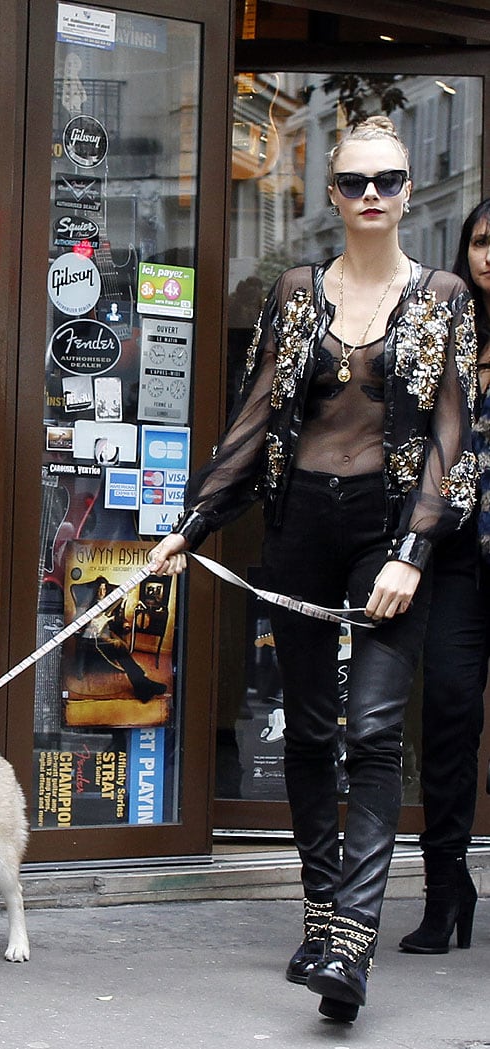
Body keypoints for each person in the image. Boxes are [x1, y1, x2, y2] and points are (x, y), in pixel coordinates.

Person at [150, 116, 477, 1023]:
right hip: (300, 528)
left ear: (410, 191)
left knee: (372, 731)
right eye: (352, 182)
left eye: (389, 179)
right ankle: (322, 908)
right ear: (330, 196)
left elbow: (456, 439)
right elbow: (254, 421)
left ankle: (351, 947)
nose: (371, 195)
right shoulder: (296, 294)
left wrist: (415, 550)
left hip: (389, 528)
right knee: (308, 732)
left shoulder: (445, 295)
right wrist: (194, 525)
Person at [399, 198, 490, 955]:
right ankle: (444, 887)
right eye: (482, 241)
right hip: (459, 562)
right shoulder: (454, 333)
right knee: (449, 715)